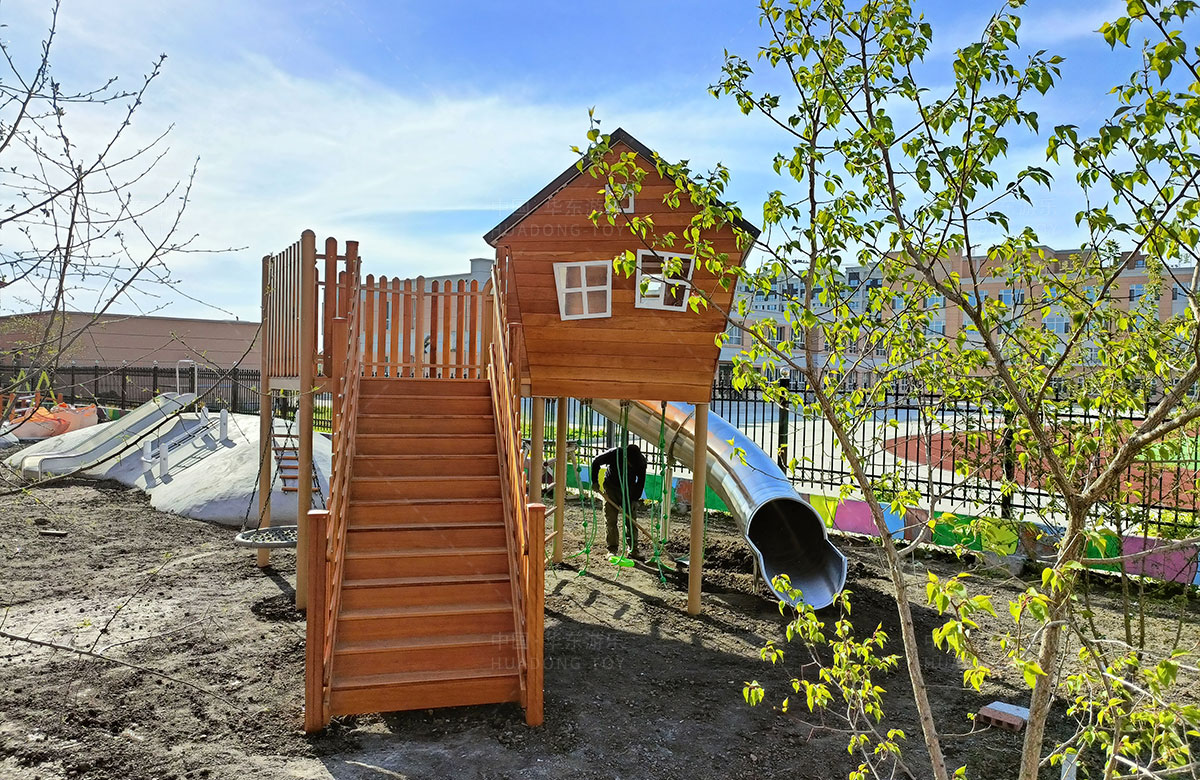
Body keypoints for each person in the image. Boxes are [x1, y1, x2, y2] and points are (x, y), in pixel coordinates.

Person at [590, 443, 647, 558]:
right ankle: (612, 549)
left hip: (629, 491)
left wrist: (634, 499)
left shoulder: (640, 462)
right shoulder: (615, 454)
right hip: (611, 488)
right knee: (611, 520)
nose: (630, 466)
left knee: (631, 521)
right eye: (629, 463)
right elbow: (596, 462)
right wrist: (595, 482)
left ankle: (633, 549)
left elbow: (640, 482)